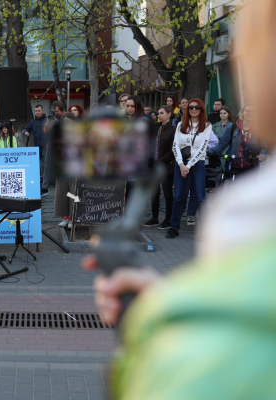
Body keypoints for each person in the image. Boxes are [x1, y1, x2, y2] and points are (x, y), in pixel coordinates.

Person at [84, 2, 276, 397]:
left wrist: (152, 329)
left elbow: (198, 379)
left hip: (194, 168)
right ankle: (173, 224)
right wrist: (165, 304)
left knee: (192, 201)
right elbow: (232, 331)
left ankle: (178, 221)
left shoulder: (249, 221)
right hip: (177, 167)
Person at [166, 98, 212, 238]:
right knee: (178, 197)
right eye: (191, 107)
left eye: (197, 107)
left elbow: (202, 148)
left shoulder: (206, 125)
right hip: (181, 164)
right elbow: (176, 146)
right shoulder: (181, 125)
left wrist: (189, 165)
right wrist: (181, 164)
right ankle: (174, 227)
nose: (193, 109)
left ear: (201, 109)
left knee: (200, 197)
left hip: (197, 164)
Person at [209, 104, 267, 177]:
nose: (250, 113)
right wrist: (208, 151)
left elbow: (264, 147)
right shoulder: (232, 127)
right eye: (247, 111)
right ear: (242, 112)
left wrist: (262, 154)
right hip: (234, 166)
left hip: (252, 167)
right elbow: (222, 145)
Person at [143, 106, 176, 229]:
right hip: (154, 166)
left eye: (162, 113)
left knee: (167, 194)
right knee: (154, 193)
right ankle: (155, 218)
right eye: (158, 113)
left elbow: (173, 150)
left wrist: (160, 161)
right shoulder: (156, 128)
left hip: (167, 167)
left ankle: (168, 219)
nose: (159, 115)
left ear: (169, 114)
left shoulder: (173, 130)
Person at [24, 104, 48, 171]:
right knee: (35, 164)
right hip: (36, 147)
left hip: (45, 146)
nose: (37, 112)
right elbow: (26, 129)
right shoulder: (33, 122)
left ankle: (44, 179)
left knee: (44, 164)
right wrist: (25, 132)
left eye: (39, 111)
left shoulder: (47, 120)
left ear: (42, 111)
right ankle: (37, 178)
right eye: (36, 111)